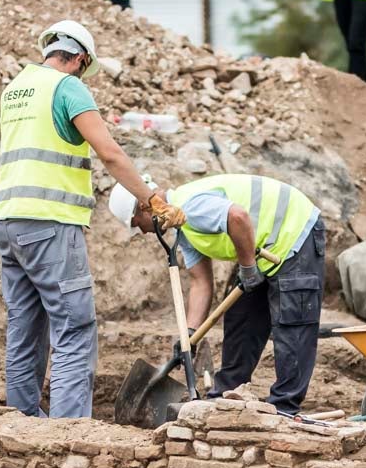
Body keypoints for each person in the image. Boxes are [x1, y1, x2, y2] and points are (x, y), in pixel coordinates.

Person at [0, 20, 185, 419]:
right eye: (84, 68)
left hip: (10, 222)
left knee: (25, 328)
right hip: (51, 223)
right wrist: (151, 199)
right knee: (73, 329)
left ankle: (21, 423)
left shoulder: (16, 88)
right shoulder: (67, 87)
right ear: (80, 58)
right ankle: (68, 435)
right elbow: (109, 152)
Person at [108, 174, 325, 417]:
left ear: (144, 207)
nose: (144, 232)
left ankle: (285, 408)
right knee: (240, 320)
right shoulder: (183, 228)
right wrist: (189, 334)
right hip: (262, 252)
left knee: (292, 324)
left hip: (293, 232)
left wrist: (247, 267)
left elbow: (237, 216)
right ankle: (224, 400)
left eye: (138, 224)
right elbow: (201, 282)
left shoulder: (190, 206)